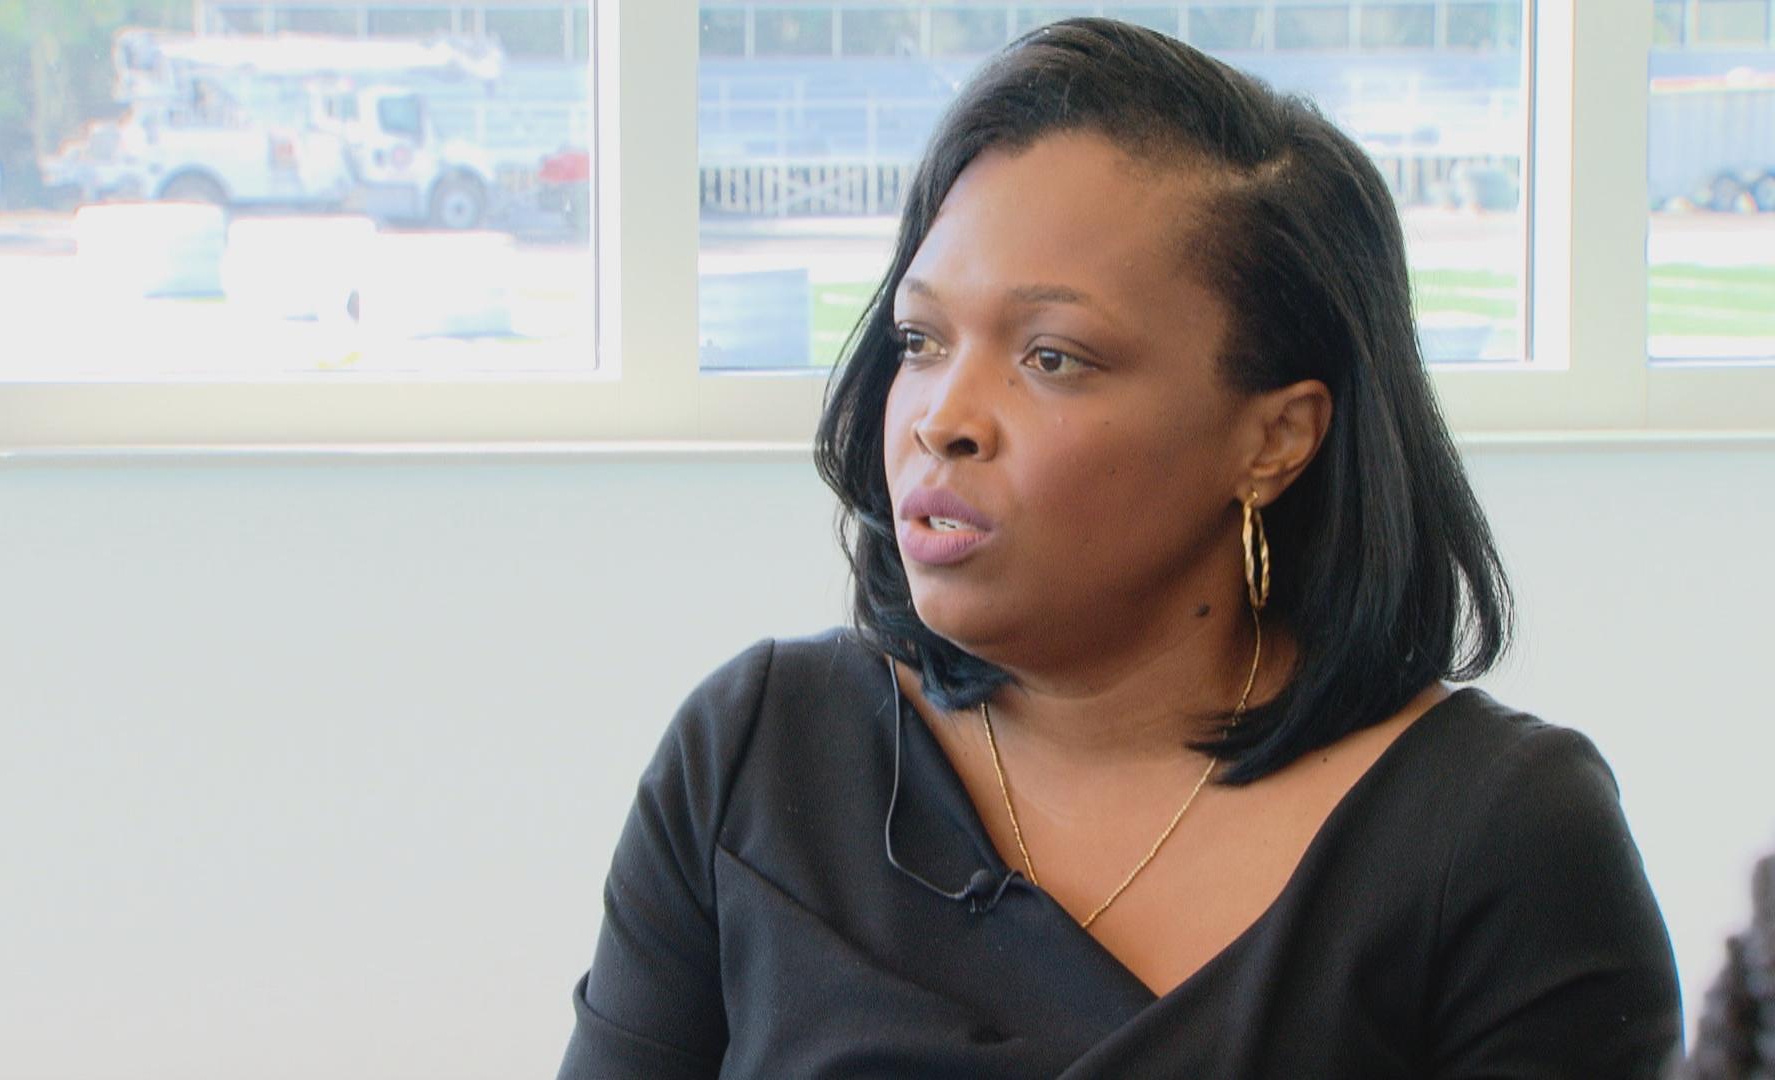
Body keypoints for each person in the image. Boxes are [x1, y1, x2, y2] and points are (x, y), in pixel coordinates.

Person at [560, 18, 1680, 1078]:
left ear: (1274, 438)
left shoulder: (1500, 840)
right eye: (921, 337)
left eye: (1053, 357)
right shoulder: (759, 754)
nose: (944, 415)